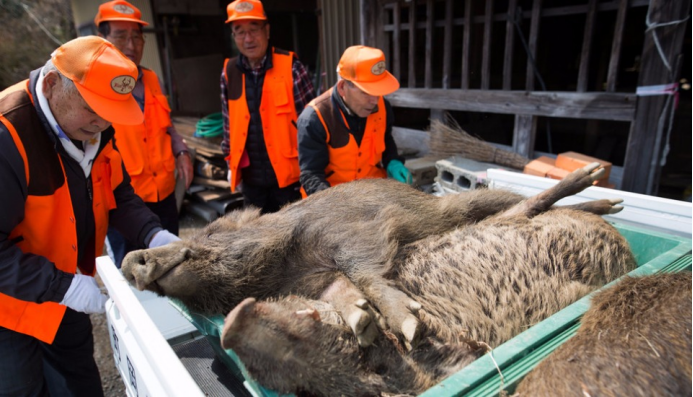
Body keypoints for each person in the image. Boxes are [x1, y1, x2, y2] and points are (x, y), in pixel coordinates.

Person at [0, 36, 180, 396]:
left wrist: (154, 235)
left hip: (68, 294)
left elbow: (117, 193)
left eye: (110, 112)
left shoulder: (96, 126)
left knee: (80, 383)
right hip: (11, 309)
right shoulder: (8, 135)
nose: (101, 123)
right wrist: (62, 286)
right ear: (52, 85)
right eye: (91, 108)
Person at [95, 0, 193, 268]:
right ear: (102, 39)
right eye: (121, 36)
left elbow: (166, 125)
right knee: (131, 271)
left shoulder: (151, 78)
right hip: (124, 203)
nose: (130, 45)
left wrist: (181, 150)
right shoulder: (95, 90)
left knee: (170, 265)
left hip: (164, 194)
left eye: (136, 37)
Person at [221, 0, 315, 213]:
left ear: (267, 30)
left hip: (290, 182)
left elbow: (313, 126)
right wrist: (229, 163)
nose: (248, 38)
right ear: (233, 37)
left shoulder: (291, 67)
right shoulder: (229, 72)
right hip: (251, 185)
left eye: (254, 29)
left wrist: (312, 173)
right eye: (240, 32)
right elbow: (229, 125)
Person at [298, 45, 412, 196]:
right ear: (343, 87)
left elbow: (386, 138)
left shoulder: (383, 107)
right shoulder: (315, 118)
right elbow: (311, 175)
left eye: (377, 91)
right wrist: (335, 207)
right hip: (331, 199)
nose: (374, 101)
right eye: (366, 92)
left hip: (374, 194)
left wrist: (393, 161)